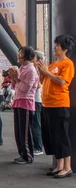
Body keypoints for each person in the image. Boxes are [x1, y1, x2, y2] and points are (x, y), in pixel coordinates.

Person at [37, 34, 76, 178]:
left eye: (57, 46)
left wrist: (46, 72)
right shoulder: (53, 64)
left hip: (59, 104)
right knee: (52, 136)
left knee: (62, 136)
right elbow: (42, 81)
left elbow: (61, 82)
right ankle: (59, 166)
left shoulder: (68, 64)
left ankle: (67, 167)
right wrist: (41, 71)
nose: (55, 48)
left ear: (65, 49)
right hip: (47, 104)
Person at [7, 46, 38, 165]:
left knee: (24, 132)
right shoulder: (22, 68)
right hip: (19, 101)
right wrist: (13, 78)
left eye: (20, 54)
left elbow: (26, 88)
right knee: (18, 131)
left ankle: (28, 156)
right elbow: (15, 87)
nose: (18, 56)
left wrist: (16, 77)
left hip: (26, 102)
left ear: (27, 56)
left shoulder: (31, 70)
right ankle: (22, 154)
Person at [31, 51, 45, 156]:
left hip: (36, 100)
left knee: (36, 124)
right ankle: (36, 145)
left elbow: (39, 85)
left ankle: (38, 147)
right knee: (34, 124)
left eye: (33, 58)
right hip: (34, 100)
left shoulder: (39, 71)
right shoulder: (36, 70)